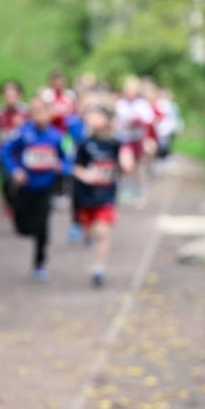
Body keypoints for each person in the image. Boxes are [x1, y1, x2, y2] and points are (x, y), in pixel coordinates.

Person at [0, 97, 67, 283]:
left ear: (50, 113)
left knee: (43, 227)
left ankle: (39, 264)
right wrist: (15, 170)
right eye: (35, 112)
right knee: (21, 226)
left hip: (46, 188)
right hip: (25, 187)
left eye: (43, 111)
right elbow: (5, 151)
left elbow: (68, 157)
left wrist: (62, 166)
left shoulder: (57, 136)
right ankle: (29, 229)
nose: (39, 116)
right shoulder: (23, 133)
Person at [73, 105, 135, 288]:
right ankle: (86, 234)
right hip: (85, 195)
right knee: (89, 230)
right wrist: (85, 175)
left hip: (106, 195)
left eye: (96, 116)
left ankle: (99, 268)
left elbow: (126, 164)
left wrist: (126, 163)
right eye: (89, 116)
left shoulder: (117, 143)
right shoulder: (83, 143)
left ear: (107, 120)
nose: (91, 119)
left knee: (103, 232)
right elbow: (76, 166)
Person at [0, 79, 27, 217]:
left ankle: (21, 204)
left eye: (13, 94)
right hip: (4, 154)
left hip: (22, 154)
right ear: (2, 96)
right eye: (7, 94)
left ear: (19, 95)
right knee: (6, 181)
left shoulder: (26, 112)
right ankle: (9, 203)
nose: (10, 98)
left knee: (21, 180)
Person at [114, 75, 154, 207]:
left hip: (138, 140)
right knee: (126, 165)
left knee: (138, 169)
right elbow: (117, 121)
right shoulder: (120, 104)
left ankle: (140, 193)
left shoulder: (142, 104)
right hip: (125, 140)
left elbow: (149, 121)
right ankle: (125, 190)